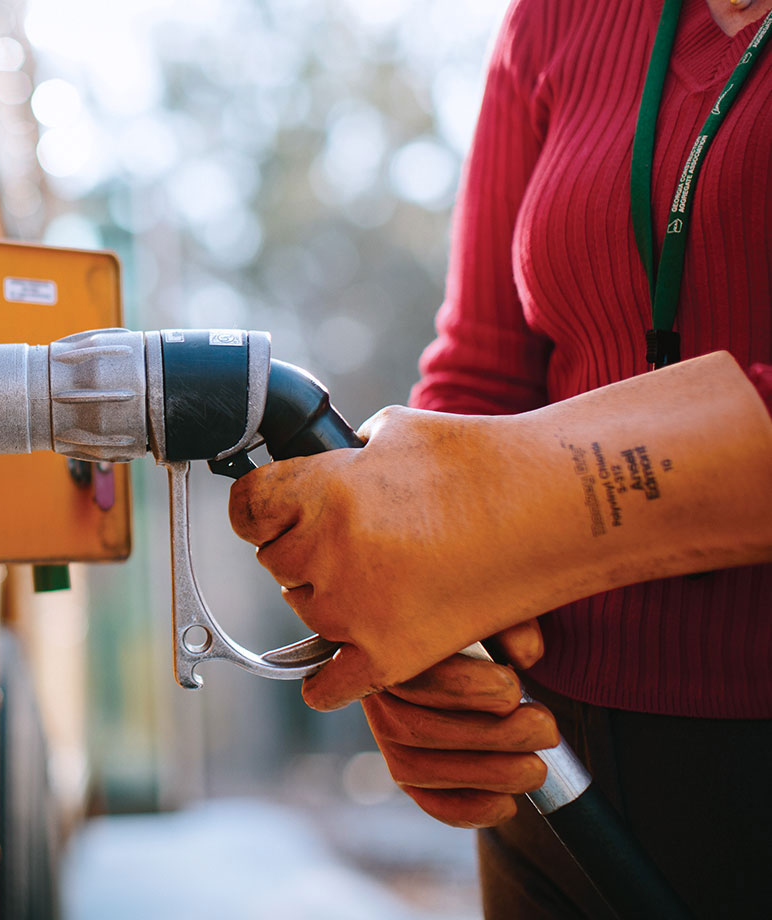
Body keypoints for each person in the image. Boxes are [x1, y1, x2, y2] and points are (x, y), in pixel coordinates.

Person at [228, 0, 772, 916]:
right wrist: (418, 635)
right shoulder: (556, 18)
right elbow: (480, 369)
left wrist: (533, 499)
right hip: (548, 772)